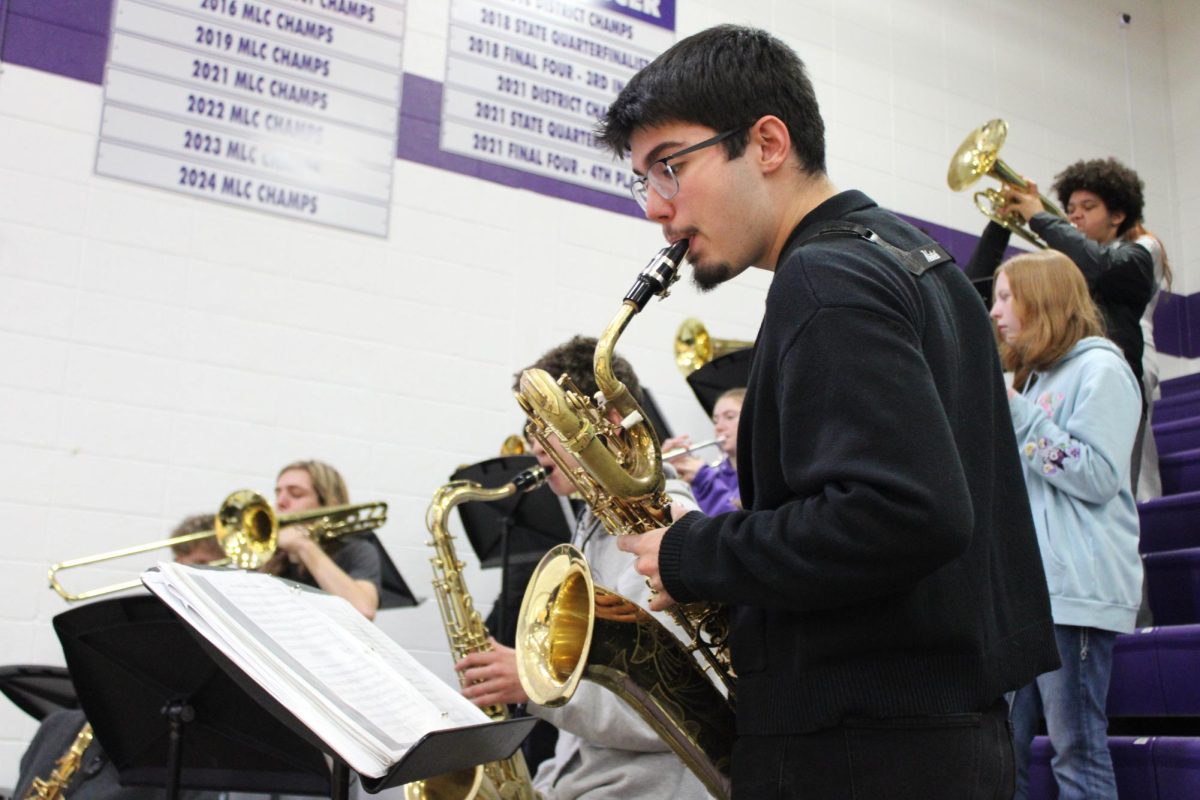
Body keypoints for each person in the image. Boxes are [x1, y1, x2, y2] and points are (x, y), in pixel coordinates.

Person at [600, 25, 1060, 798]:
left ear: (768, 142)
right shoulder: (917, 259)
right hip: (936, 734)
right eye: (644, 178)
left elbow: (903, 513)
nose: (655, 206)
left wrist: (693, 553)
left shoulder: (824, 278)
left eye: (670, 167)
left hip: (862, 749)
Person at [454, 335, 710, 800]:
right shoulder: (594, 522)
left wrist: (533, 684)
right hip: (582, 780)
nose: (534, 444)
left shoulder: (664, 529)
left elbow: (672, 714)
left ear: (608, 422)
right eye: (531, 427)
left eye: (546, 425)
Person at [990, 250, 1143, 799]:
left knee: (1076, 750)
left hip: (1075, 589)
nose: (995, 312)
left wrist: (1014, 407)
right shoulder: (1035, 380)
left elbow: (1098, 475)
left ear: (1044, 298)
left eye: (1006, 297)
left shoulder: (1101, 368)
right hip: (1030, 594)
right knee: (1002, 747)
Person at [967, 157, 1162, 490]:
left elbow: (1104, 268)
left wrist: (1037, 216)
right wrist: (1004, 221)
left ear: (1117, 215)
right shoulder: (1067, 260)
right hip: (1060, 377)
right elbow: (972, 292)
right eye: (1070, 207)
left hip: (1117, 369)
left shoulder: (1140, 250)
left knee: (1118, 482)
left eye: (1088, 206)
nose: (1075, 215)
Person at [14, 515, 222, 800]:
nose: (183, 570)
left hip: (175, 739)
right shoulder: (154, 614)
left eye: (199, 562)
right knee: (57, 727)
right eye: (180, 559)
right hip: (120, 728)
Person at [264, 459, 382, 620]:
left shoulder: (358, 550)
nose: (280, 502)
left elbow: (363, 610)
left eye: (296, 494)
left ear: (328, 505)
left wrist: (303, 546)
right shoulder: (266, 552)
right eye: (278, 493)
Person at [661, 387, 744, 515]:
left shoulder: (767, 473)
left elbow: (737, 525)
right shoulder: (717, 474)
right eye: (715, 421)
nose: (719, 427)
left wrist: (702, 477)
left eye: (729, 417)